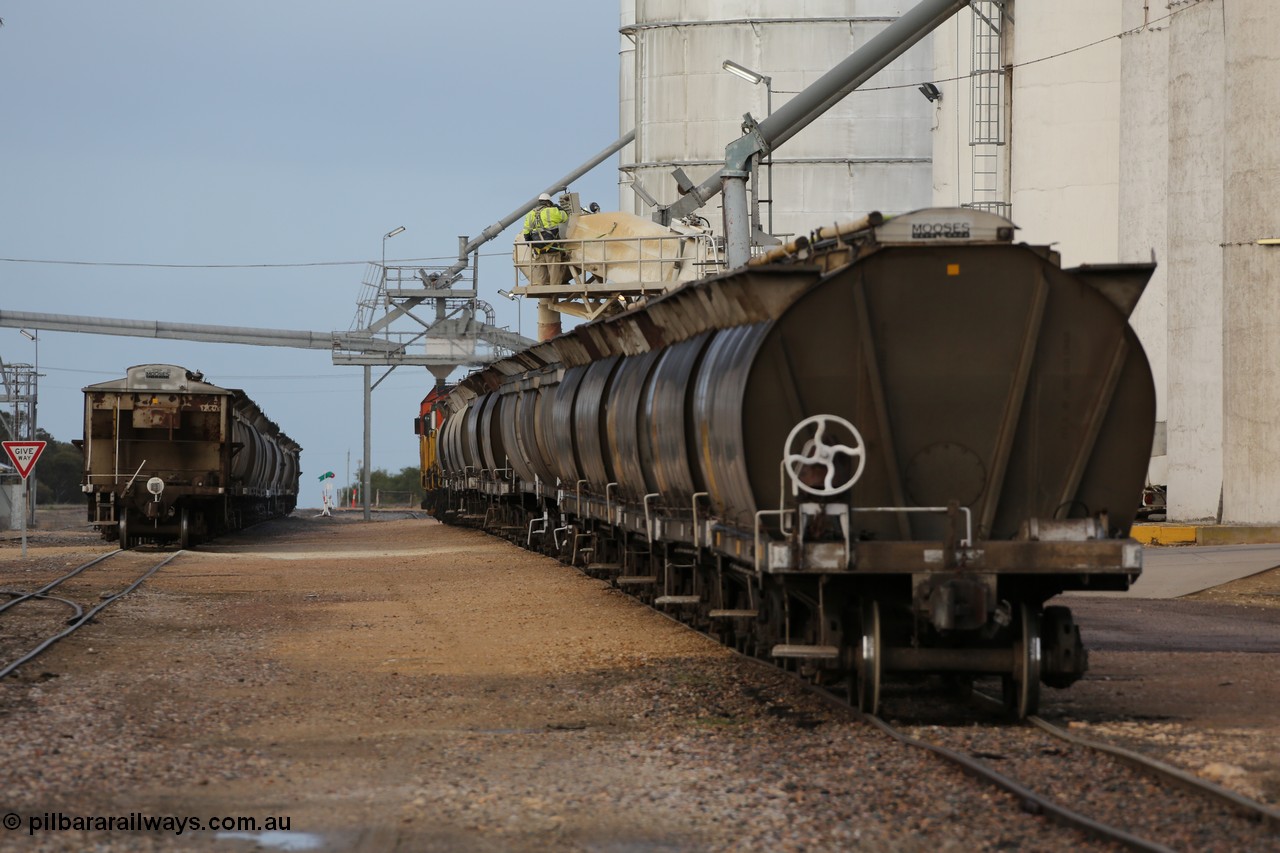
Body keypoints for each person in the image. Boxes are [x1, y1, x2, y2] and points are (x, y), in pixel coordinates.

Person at [522, 193, 569, 287]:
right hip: (552, 247)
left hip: (538, 248)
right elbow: (564, 218)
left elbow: (526, 231)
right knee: (554, 268)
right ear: (548, 202)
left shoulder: (531, 214)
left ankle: (541, 286)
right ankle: (554, 287)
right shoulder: (552, 211)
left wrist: (529, 243)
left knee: (541, 269)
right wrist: (559, 208)